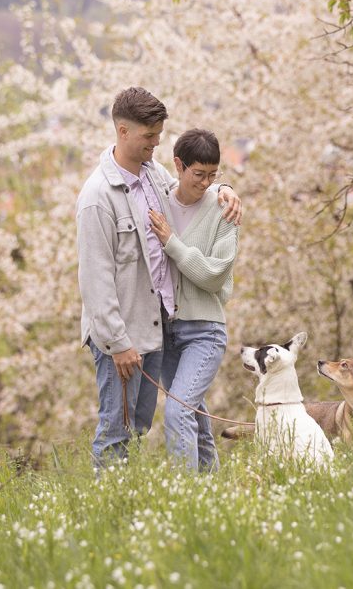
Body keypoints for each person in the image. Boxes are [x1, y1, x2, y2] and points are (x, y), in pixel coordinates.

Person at [76, 87, 241, 468]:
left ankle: (191, 492)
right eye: (148, 136)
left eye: (158, 136)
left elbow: (191, 189)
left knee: (137, 429)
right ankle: (108, 512)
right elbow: (95, 278)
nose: (155, 144)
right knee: (116, 430)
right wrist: (117, 343)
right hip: (121, 338)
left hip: (155, 333)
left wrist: (225, 190)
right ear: (122, 131)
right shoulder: (98, 197)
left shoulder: (154, 175)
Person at [147, 129, 239, 471]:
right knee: (195, 419)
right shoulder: (159, 201)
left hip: (205, 332)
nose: (205, 183)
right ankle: (210, 496)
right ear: (178, 166)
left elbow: (214, 276)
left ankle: (186, 496)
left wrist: (173, 243)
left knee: (178, 410)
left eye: (212, 175)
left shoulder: (223, 210)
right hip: (168, 333)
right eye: (198, 174)